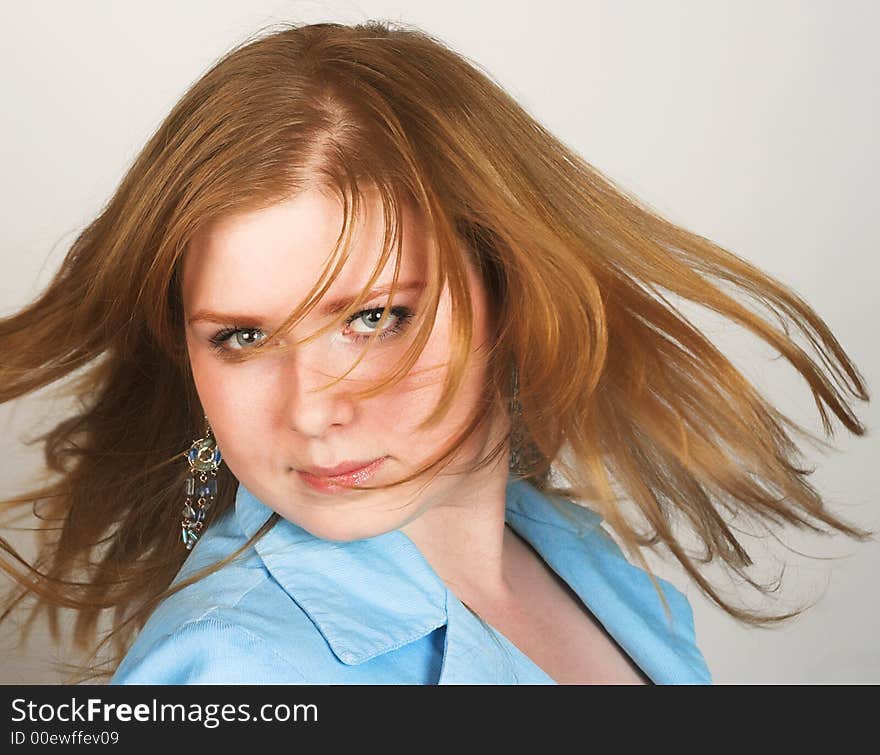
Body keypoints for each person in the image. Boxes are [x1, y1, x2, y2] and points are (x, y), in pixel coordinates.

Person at [0, 20, 872, 685]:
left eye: (374, 318)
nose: (311, 408)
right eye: (242, 336)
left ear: (509, 286)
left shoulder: (574, 551)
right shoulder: (239, 671)